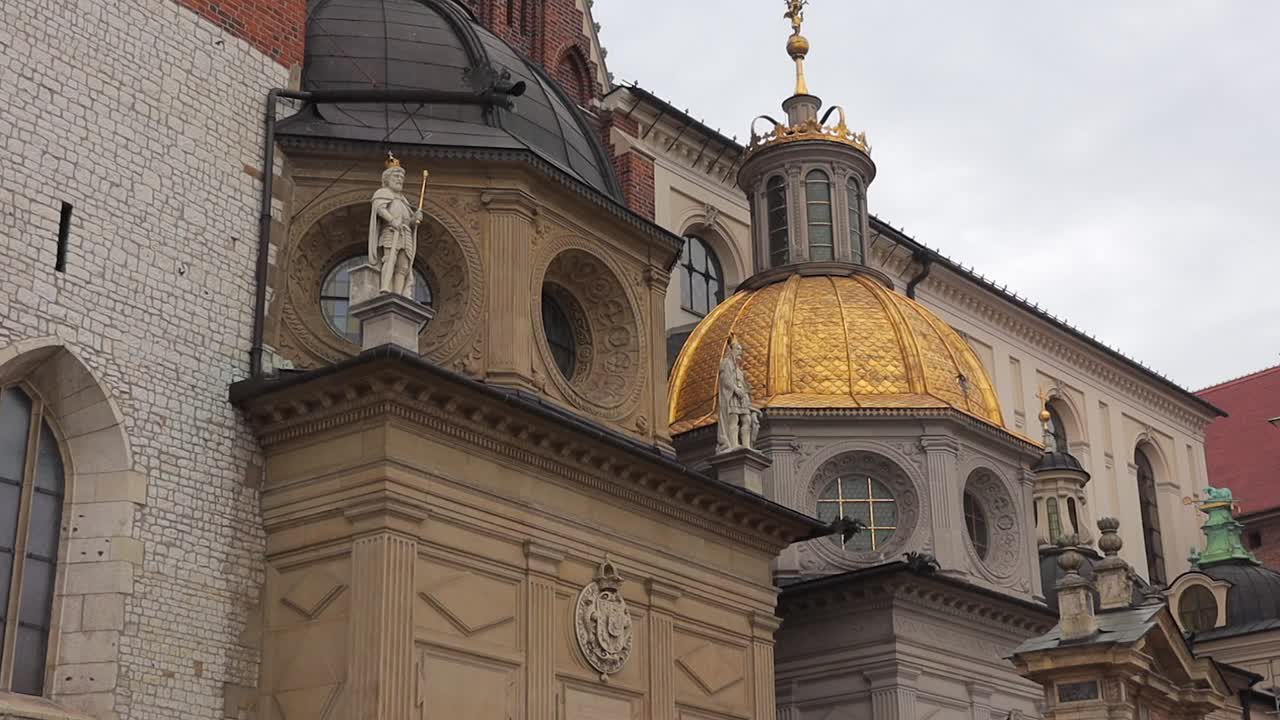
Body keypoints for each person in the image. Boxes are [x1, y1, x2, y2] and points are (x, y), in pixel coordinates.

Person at [368, 156, 423, 298]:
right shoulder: (383, 193)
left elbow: (408, 219)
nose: (400, 179)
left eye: (401, 177)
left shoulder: (403, 200)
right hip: (392, 231)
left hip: (405, 233)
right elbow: (379, 208)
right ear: (387, 179)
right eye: (396, 176)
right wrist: (392, 220)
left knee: (403, 265)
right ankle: (385, 286)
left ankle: (399, 294)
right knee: (389, 259)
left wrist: (414, 219)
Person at [717, 337, 761, 452]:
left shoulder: (738, 369)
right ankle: (734, 444)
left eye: (740, 350)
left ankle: (746, 446)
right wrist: (736, 390)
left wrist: (746, 397)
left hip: (741, 398)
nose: (739, 352)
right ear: (730, 350)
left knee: (747, 419)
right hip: (732, 396)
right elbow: (725, 381)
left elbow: (743, 384)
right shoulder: (726, 363)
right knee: (734, 418)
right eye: (737, 349)